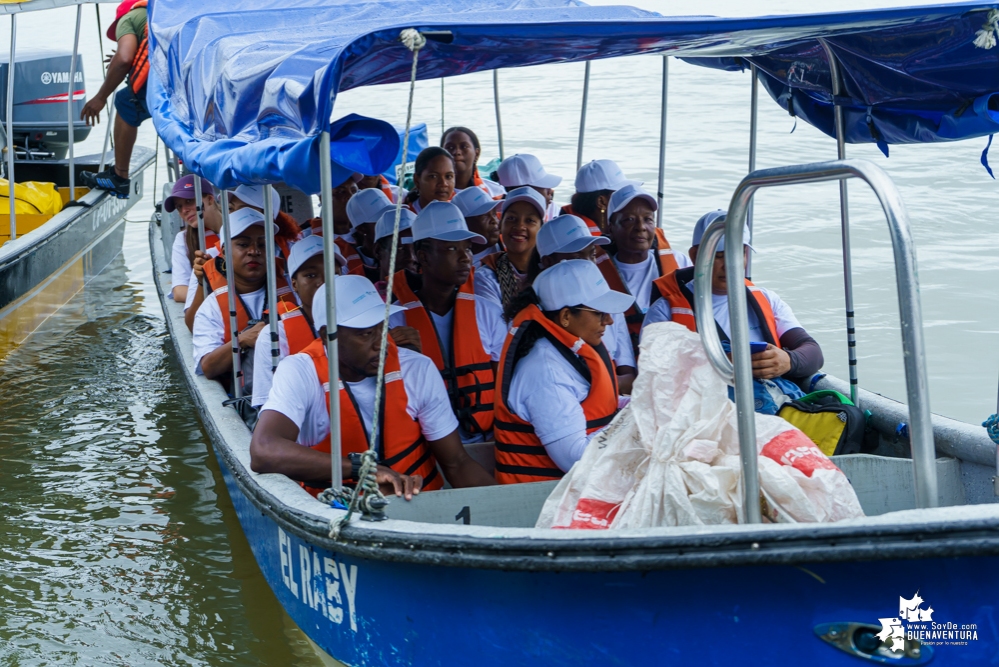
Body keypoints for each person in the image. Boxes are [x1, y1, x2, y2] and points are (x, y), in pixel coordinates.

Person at [250, 278, 496, 497]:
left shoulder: (417, 369)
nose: (381, 344)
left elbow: (457, 462)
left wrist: (511, 511)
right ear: (327, 336)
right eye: (366, 333)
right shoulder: (299, 371)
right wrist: (362, 468)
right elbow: (264, 450)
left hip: (419, 506)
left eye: (382, 327)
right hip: (336, 513)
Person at [643, 210, 824, 414]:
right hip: (705, 415)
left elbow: (814, 353)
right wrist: (716, 366)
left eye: (737, 253)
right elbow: (653, 377)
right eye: (719, 256)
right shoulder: (664, 311)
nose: (729, 264)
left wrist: (787, 362)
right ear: (695, 255)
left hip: (773, 407)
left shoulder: (767, 299)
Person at [493, 260, 634, 484]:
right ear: (566, 316)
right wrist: (634, 420)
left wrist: (635, 403)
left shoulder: (566, 351)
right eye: (599, 312)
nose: (609, 320)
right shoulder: (546, 373)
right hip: (539, 503)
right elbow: (576, 459)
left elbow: (587, 405)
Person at [388, 201, 507, 443]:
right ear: (423, 256)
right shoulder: (394, 321)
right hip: (427, 445)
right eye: (452, 249)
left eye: (468, 248)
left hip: (486, 440)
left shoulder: (489, 313)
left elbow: (505, 388)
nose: (465, 258)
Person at [192, 208, 294, 398]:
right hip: (244, 399)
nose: (254, 251)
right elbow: (207, 366)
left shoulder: (293, 288)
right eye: (243, 244)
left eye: (262, 245)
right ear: (224, 251)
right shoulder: (211, 307)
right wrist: (243, 340)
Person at [535, 214, 637, 395]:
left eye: (592, 255)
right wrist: (610, 385)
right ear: (548, 262)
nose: (589, 264)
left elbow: (628, 373)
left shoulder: (607, 303)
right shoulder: (540, 317)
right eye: (577, 258)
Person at [598, 183, 690, 357]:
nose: (641, 227)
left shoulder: (679, 263)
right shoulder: (596, 275)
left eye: (648, 219)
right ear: (610, 227)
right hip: (622, 367)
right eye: (629, 219)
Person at [79, 0, 150, 198]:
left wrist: (100, 98)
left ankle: (119, 176)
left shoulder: (128, 18)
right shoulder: (158, 14)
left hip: (160, 85)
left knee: (124, 101)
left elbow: (125, 58)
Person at [475, 187, 547, 311]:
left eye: (530, 220)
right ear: (500, 224)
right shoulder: (486, 278)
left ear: (541, 229)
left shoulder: (550, 271)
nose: (520, 226)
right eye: (511, 218)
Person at [166, 175, 219, 303]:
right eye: (179, 206)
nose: (184, 210)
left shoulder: (239, 226)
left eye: (189, 201)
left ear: (210, 200)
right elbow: (179, 291)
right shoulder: (183, 239)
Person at [560, 159, 639, 236]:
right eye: (620, 194)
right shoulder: (584, 243)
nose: (628, 198)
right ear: (601, 202)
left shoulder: (566, 226)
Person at [229, 184, 302, 262]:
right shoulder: (216, 251)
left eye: (243, 210)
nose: (233, 215)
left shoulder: (295, 254)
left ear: (269, 216)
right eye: (230, 208)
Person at [441, 126, 505, 198]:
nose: (457, 152)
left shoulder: (496, 192)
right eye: (450, 147)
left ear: (476, 154)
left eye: (464, 147)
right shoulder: (432, 193)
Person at [346, 188, 394, 280]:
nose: (390, 221)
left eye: (393, 216)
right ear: (361, 229)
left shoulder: (408, 254)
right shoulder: (345, 265)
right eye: (381, 220)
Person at [496, 154, 561, 220]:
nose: (550, 191)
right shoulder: (494, 217)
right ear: (524, 191)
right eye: (544, 186)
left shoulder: (552, 208)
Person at [373, 207, 418, 296]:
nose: (411, 258)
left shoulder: (430, 299)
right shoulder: (369, 301)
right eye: (400, 249)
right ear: (378, 251)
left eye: (416, 248)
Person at [452, 187, 502, 267]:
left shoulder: (508, 245)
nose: (494, 220)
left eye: (494, 214)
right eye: (485, 216)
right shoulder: (460, 268)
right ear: (465, 223)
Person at [405, 147, 455, 213]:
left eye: (448, 176)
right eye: (433, 176)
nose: (443, 183)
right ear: (417, 180)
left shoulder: (458, 213)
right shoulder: (404, 219)